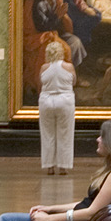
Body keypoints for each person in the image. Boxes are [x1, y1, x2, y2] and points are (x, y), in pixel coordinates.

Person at [37, 39, 76, 175]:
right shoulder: (69, 67)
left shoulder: (44, 67)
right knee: (65, 133)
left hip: (46, 100)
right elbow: (74, 81)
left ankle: (49, 166)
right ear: (61, 52)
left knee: (47, 133)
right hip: (65, 100)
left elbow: (40, 83)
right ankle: (63, 166)